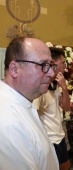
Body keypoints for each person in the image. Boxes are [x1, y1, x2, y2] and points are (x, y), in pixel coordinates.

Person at [0, 37, 59, 170]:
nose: (51, 73)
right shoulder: (7, 121)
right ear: (14, 69)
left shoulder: (22, 101)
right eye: (43, 65)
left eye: (51, 65)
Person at [33, 47, 70, 170]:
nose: (65, 66)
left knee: (65, 166)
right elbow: (33, 115)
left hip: (59, 135)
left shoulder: (55, 85)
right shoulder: (41, 87)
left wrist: (64, 88)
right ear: (53, 64)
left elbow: (66, 107)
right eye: (63, 62)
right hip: (49, 140)